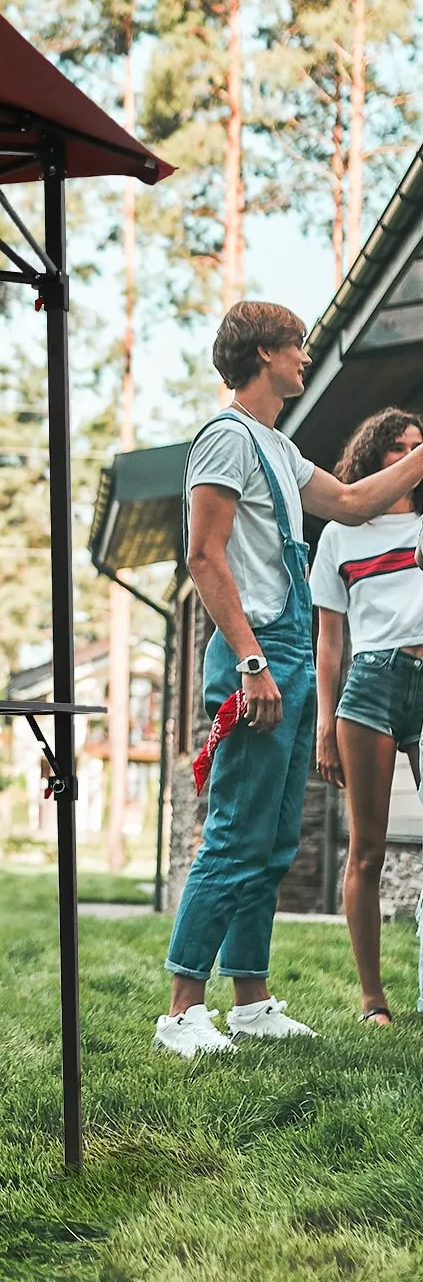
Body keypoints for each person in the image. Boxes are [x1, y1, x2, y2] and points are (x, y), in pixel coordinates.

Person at [155, 302, 423, 1058]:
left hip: (293, 655)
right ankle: (181, 1010)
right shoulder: (227, 438)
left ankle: (250, 1000)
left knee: (274, 843)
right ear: (264, 353)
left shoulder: (276, 444)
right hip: (257, 651)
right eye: (298, 346)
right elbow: (204, 558)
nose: (307, 358)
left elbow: (350, 500)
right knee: (236, 835)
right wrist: (250, 663)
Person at [311, 408, 423, 1025]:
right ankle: (373, 1000)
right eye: (399, 448)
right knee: (367, 851)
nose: (412, 457)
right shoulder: (341, 534)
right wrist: (325, 724)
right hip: (373, 685)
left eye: (420, 447)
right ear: (374, 457)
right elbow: (330, 641)